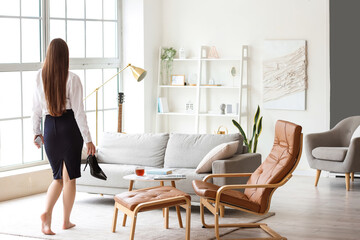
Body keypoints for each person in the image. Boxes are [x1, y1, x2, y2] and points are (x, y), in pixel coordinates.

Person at [32, 38, 96, 235]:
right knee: (69, 179)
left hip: (50, 127)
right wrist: (88, 140)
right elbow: (78, 112)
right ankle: (65, 221)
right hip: (69, 127)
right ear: (65, 56)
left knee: (57, 177)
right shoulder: (72, 78)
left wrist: (36, 133)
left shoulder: (39, 77)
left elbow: (35, 109)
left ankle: (46, 213)